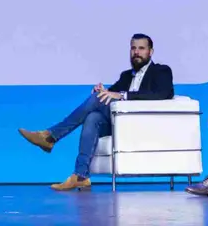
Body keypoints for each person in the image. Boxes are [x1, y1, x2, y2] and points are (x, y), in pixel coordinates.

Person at [18, 33, 174, 191]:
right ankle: (81, 176)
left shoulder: (162, 71)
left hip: (142, 124)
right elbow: (111, 93)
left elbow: (162, 93)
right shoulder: (126, 76)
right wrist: (102, 91)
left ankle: (50, 136)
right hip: (120, 124)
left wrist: (122, 95)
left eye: (141, 48)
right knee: (93, 117)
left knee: (96, 100)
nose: (136, 52)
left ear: (150, 52)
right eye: (133, 48)